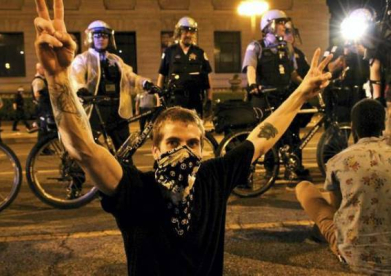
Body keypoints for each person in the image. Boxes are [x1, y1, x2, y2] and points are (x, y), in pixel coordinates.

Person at [33, 0, 332, 274]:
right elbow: (84, 149)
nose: (184, 152)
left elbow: (264, 135)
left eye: (192, 144)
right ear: (155, 150)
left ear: (203, 149)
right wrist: (59, 79)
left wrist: (302, 93)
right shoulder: (136, 190)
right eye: (173, 143)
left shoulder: (212, 179)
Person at [296, 99, 391, 275]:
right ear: (382, 125)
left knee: (304, 188)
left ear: (353, 126)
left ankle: (322, 235)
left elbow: (338, 209)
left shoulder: (338, 160)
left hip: (354, 255)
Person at [242, 9, 308, 182]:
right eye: (279, 22)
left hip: (285, 95)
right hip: (265, 95)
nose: (283, 26)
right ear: (268, 25)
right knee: (265, 134)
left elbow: (293, 74)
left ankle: (292, 166)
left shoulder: (287, 47)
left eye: (283, 23)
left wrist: (306, 84)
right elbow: (251, 68)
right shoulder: (256, 46)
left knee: (290, 133)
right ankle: (265, 170)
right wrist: (252, 84)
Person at [71, 20, 152, 152]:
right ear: (91, 37)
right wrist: (80, 89)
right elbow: (75, 76)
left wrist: (145, 83)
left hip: (116, 109)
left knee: (125, 147)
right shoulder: (83, 59)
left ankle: (126, 171)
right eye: (97, 35)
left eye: (105, 36)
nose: (101, 39)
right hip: (95, 108)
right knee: (89, 146)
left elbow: (129, 76)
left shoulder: (115, 60)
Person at [157, 16, 213, 118]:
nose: (188, 34)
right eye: (185, 31)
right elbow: (161, 77)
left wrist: (209, 99)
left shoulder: (199, 53)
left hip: (195, 100)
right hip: (175, 100)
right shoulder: (169, 52)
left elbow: (207, 78)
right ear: (179, 33)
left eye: (191, 32)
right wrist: (158, 102)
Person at [31, 62, 53, 142]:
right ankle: (43, 148)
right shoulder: (38, 81)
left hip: (42, 108)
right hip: (42, 109)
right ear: (38, 69)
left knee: (44, 127)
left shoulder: (42, 80)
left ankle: (44, 147)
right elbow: (37, 94)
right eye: (43, 68)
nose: (45, 70)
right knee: (43, 128)